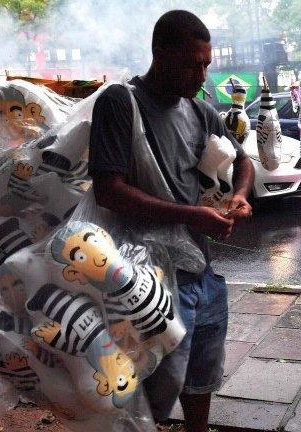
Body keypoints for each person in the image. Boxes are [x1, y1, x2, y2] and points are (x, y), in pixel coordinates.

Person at [87, 10, 254, 432]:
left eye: (206, 64)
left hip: (202, 269)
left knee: (202, 373)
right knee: (148, 384)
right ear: (160, 53)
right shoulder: (120, 102)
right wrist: (190, 214)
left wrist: (238, 195)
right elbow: (109, 189)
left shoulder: (200, 112)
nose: (202, 75)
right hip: (146, 280)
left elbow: (243, 160)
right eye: (192, 63)